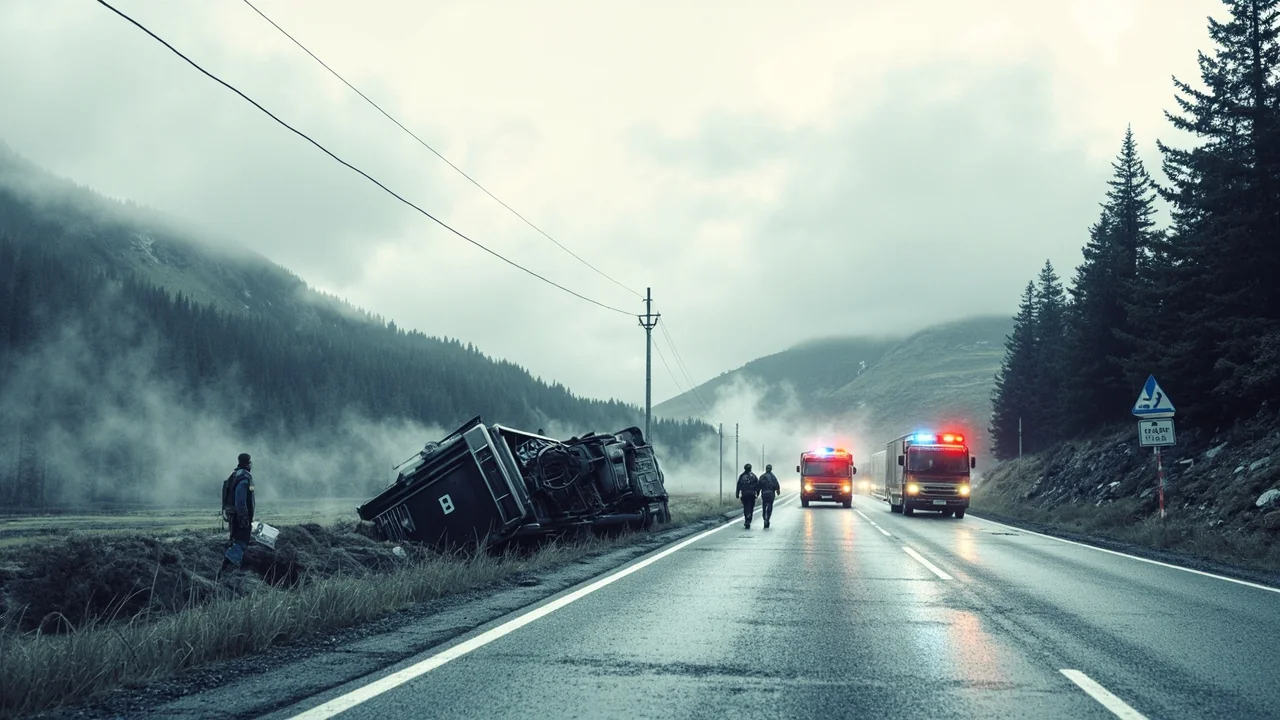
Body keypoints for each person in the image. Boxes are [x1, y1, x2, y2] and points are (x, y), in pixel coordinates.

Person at [220, 453, 256, 574]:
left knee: (235, 540)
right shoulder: (245, 477)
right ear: (248, 463)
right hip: (239, 516)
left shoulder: (234, 474)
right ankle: (226, 570)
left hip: (231, 514)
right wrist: (244, 517)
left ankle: (232, 568)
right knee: (241, 541)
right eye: (250, 462)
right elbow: (240, 500)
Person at [736, 463, 760, 529]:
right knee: (751, 508)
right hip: (752, 494)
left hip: (745, 494)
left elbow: (738, 485)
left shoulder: (742, 476)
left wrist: (737, 494)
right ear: (750, 468)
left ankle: (746, 519)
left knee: (746, 507)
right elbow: (758, 485)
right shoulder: (754, 476)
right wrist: (757, 493)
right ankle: (749, 520)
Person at [759, 464, 780, 528]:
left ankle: (765, 518)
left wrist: (757, 492)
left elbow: (758, 485)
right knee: (770, 507)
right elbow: (777, 485)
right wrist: (778, 491)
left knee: (764, 506)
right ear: (771, 469)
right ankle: (767, 519)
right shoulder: (773, 477)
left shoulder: (762, 476)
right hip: (771, 494)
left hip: (764, 494)